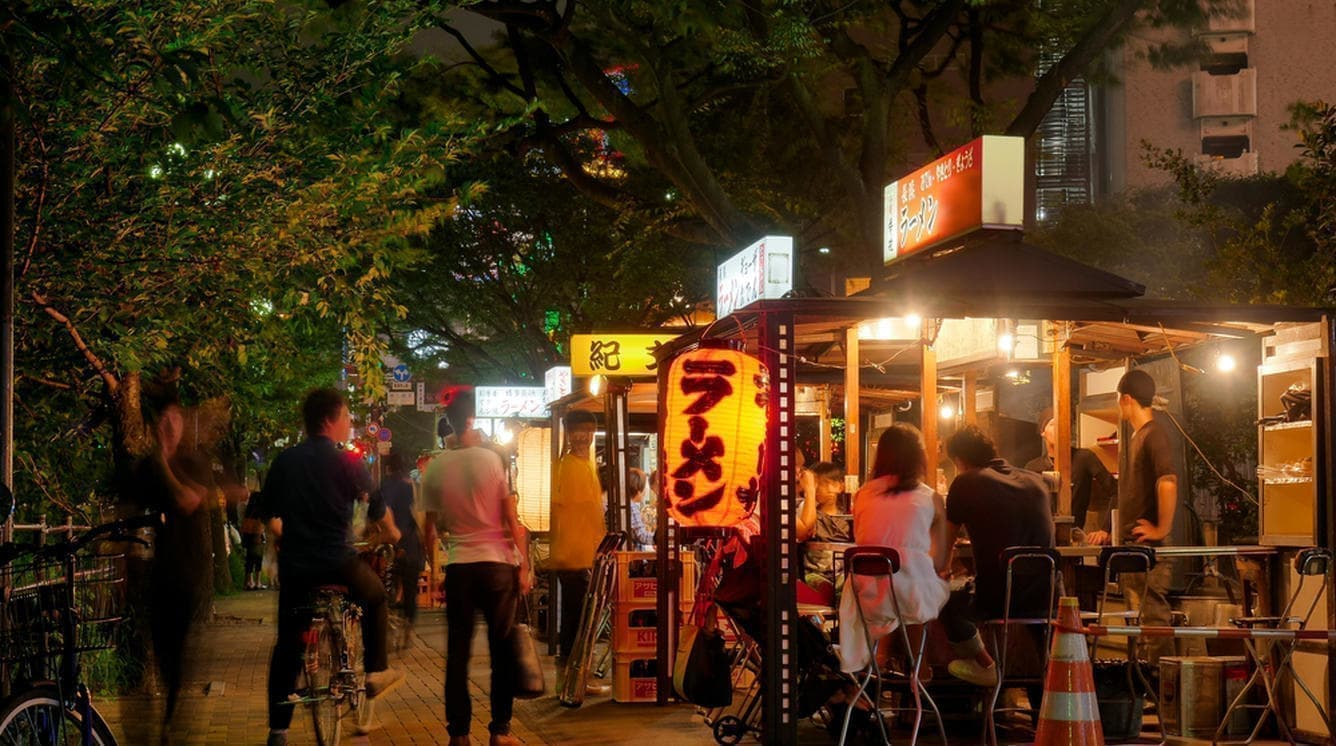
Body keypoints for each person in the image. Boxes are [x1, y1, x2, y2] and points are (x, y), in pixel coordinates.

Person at [261, 388, 403, 746]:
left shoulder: (285, 461)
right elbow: (377, 507)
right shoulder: (347, 461)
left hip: (296, 567)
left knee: (288, 644)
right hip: (337, 562)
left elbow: (267, 516)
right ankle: (375, 671)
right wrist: (391, 533)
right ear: (329, 420)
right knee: (375, 596)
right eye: (346, 417)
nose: (349, 424)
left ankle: (278, 731)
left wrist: (287, 536)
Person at [423, 390, 531, 746]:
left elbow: (429, 529)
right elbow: (511, 518)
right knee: (501, 652)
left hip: (460, 568)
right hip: (497, 566)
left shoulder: (436, 467)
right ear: (472, 421)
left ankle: (459, 734)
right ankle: (500, 731)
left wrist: (437, 570)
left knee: (457, 654)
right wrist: (524, 564)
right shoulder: (492, 459)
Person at [941, 425, 1054, 687]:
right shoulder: (1037, 481)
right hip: (1047, 596)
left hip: (998, 599)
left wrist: (942, 572)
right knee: (1040, 635)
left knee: (941, 599)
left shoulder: (966, 483)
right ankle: (1046, 691)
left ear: (960, 460)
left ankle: (985, 666)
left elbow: (946, 546)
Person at [838, 424, 951, 672]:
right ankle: (921, 670)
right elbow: (940, 561)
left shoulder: (862, 495)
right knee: (920, 593)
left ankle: (881, 662)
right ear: (919, 457)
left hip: (866, 595)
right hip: (911, 597)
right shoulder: (930, 498)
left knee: (897, 593)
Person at [1115, 368, 1178, 663]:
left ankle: (1162, 684)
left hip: (1149, 550)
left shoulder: (1153, 434)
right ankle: (1146, 682)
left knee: (1153, 621)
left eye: (1118, 399)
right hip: (1135, 548)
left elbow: (1168, 481)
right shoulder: (1138, 436)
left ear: (1127, 399)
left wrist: (1161, 529)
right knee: (1142, 625)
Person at [549, 409, 604, 667]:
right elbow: (571, 509)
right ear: (569, 435)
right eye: (577, 431)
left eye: (588, 431)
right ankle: (573, 670)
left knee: (578, 617)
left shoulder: (584, 466)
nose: (583, 436)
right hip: (573, 554)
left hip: (582, 554)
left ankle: (574, 670)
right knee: (577, 618)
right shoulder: (569, 467)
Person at [1025, 417, 1118, 537]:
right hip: (1041, 537)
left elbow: (1116, 491)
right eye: (1053, 424)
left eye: (1063, 425)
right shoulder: (1033, 467)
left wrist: (1105, 529)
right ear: (1043, 432)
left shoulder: (1083, 458)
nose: (1059, 429)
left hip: (1074, 537)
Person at [377, 451, 424, 647]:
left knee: (386, 587)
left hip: (390, 544)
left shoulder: (384, 486)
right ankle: (408, 631)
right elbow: (420, 515)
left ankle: (388, 630)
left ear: (387, 467)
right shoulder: (411, 486)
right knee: (410, 590)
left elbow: (379, 513)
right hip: (411, 544)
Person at [796, 461, 851, 599]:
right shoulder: (809, 513)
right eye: (820, 484)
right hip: (814, 573)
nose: (827, 489)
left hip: (842, 573)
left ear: (841, 486)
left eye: (831, 484)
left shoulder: (847, 517)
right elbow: (804, 532)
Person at [241, 490, 267, 590]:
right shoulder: (259, 511)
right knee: (258, 559)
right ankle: (257, 582)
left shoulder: (248, 511)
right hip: (257, 536)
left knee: (249, 559)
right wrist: (259, 536)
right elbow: (260, 525)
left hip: (248, 536)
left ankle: (248, 582)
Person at [626, 467, 655, 549]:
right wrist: (660, 538)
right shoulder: (632, 507)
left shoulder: (626, 504)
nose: (646, 491)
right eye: (645, 487)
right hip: (634, 553)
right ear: (638, 491)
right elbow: (642, 536)